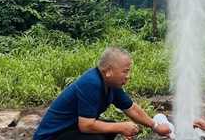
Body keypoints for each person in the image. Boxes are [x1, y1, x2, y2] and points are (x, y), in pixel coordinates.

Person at [33, 46, 174, 140]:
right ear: (108, 71)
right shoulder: (91, 84)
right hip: (51, 136)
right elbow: (86, 125)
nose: (128, 76)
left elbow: (131, 108)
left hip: (70, 130)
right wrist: (121, 126)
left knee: (110, 127)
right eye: (125, 71)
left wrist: (156, 127)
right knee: (98, 138)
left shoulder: (111, 85)